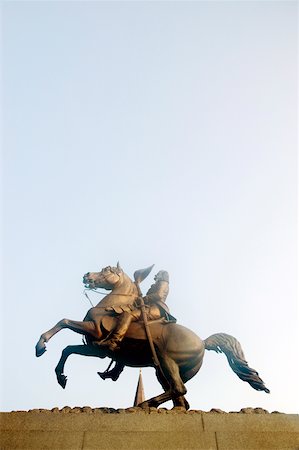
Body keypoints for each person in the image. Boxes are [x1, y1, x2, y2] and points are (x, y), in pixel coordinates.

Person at [99, 270, 176, 352]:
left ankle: (114, 341)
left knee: (128, 315)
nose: (156, 275)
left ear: (162, 275)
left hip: (155, 309)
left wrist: (144, 299)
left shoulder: (163, 282)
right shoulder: (157, 284)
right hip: (150, 307)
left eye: (158, 274)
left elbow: (159, 295)